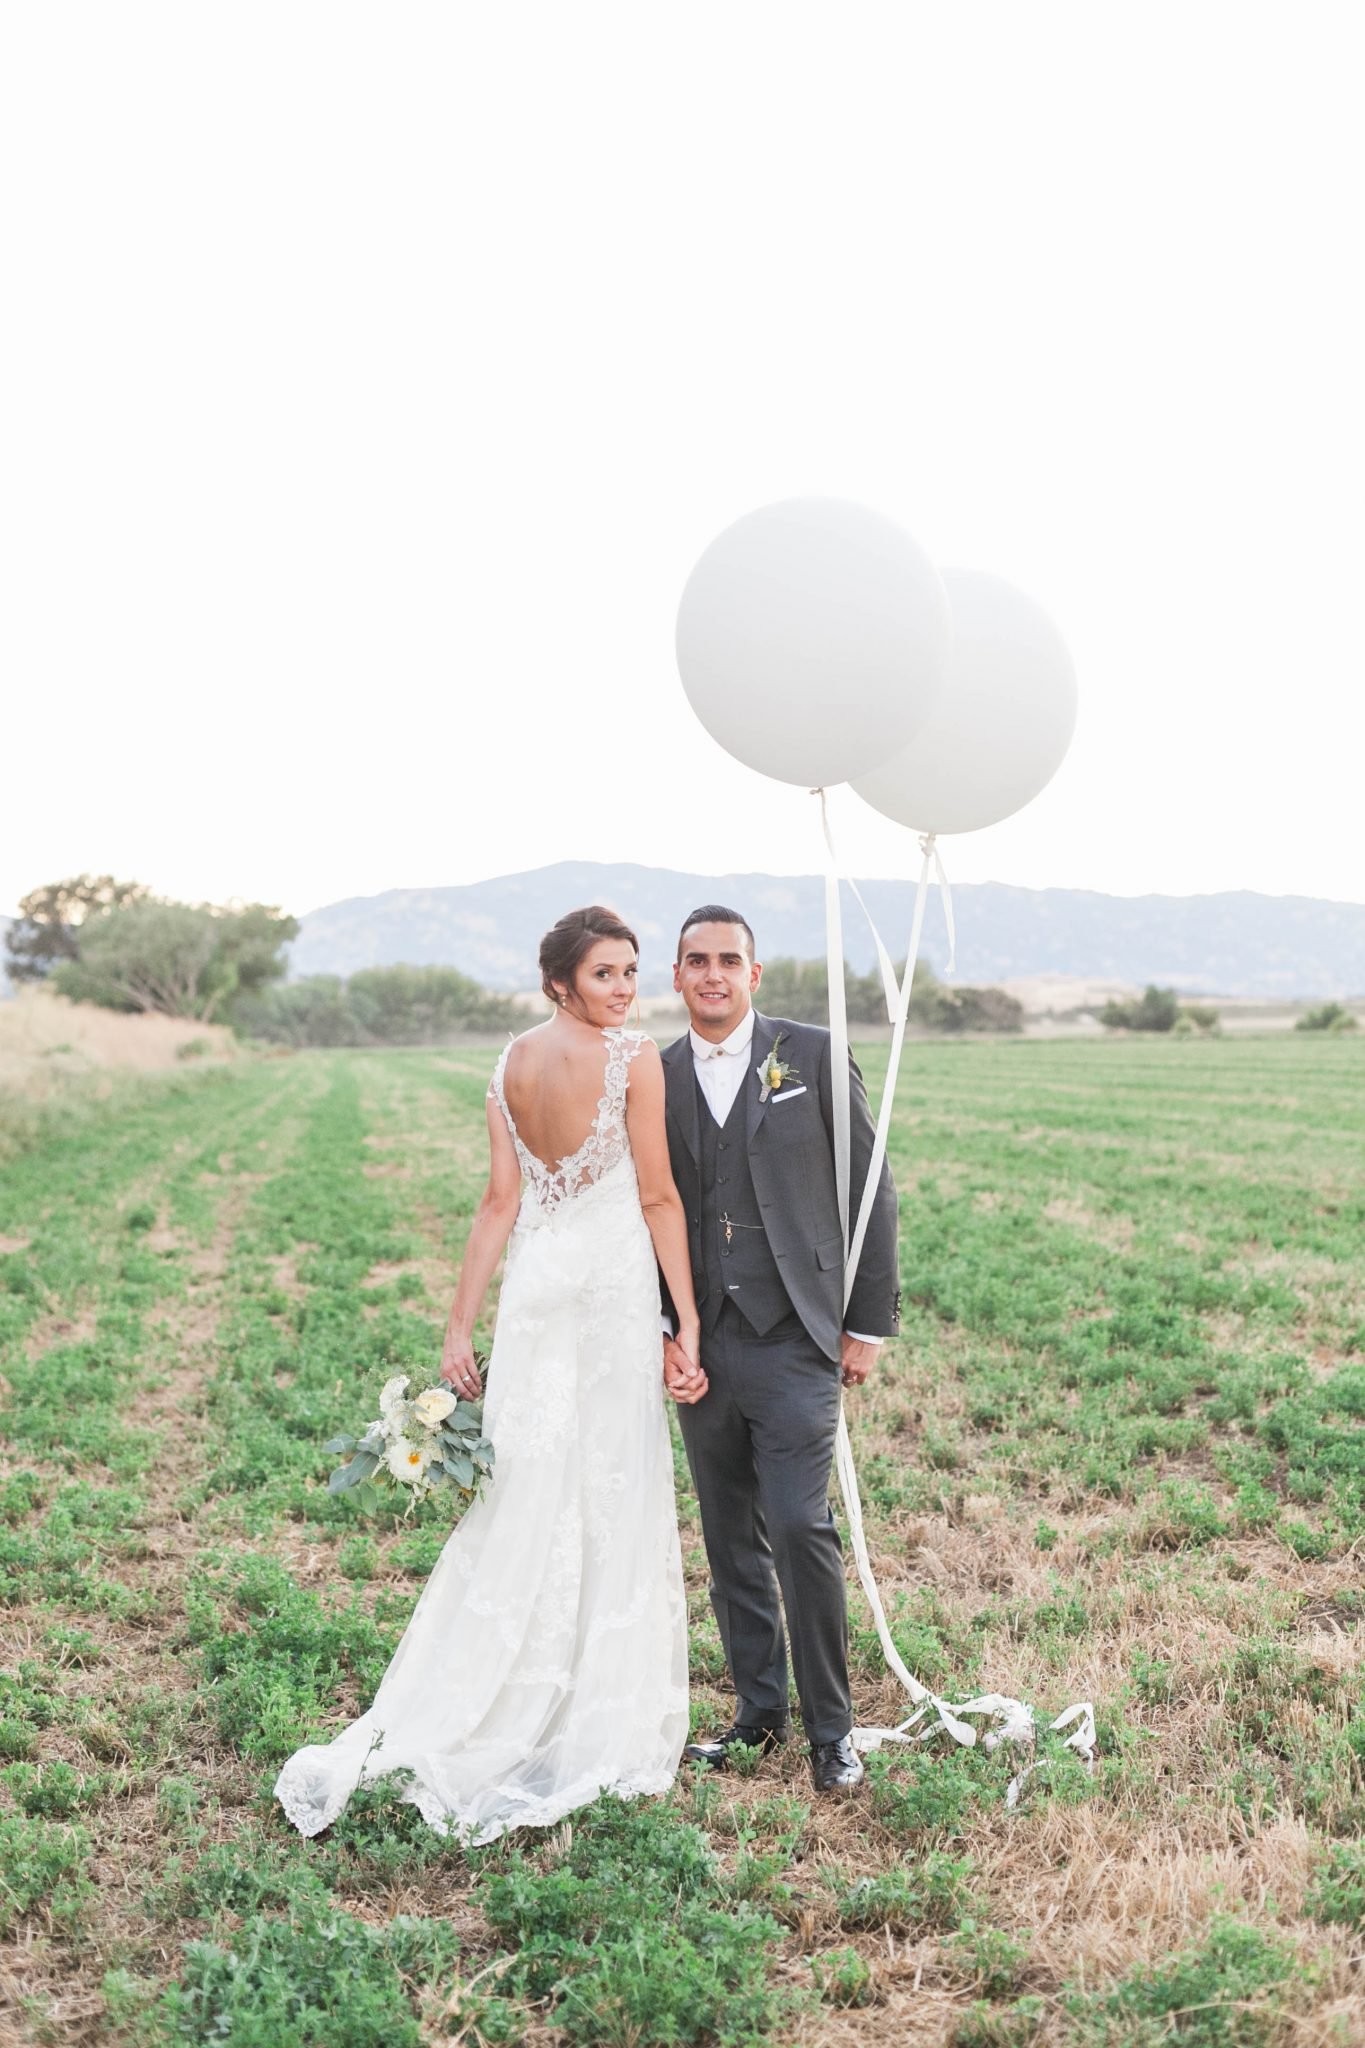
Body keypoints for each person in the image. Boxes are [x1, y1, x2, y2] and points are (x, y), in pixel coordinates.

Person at [274, 906, 705, 1845]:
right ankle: (586, 1706)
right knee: (606, 1479)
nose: (626, 989)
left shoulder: (507, 1064)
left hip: (541, 1285)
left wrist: (459, 1324)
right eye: (605, 975)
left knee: (531, 1482)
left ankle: (507, 1689)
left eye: (631, 972)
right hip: (611, 1285)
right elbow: (660, 1192)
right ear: (560, 982)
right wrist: (688, 1314)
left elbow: (499, 1202)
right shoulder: (635, 1060)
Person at [659, 905, 900, 1792]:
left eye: (729, 959)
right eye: (696, 961)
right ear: (677, 977)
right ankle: (758, 1716)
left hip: (796, 1333)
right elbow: (644, 1211)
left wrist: (865, 1321)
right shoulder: (659, 1074)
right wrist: (663, 1330)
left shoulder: (809, 1053)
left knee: (800, 1526)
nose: (713, 974)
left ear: (753, 974)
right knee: (729, 1541)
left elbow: (871, 1187)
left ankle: (831, 1732)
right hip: (701, 1343)